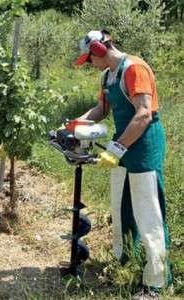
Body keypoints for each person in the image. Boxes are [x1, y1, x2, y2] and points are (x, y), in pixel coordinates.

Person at [75, 30, 173, 300]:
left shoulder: (135, 68)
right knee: (122, 207)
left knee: (148, 211)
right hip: (122, 143)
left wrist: (117, 148)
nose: (88, 64)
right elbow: (100, 110)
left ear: (98, 48)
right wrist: (75, 125)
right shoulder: (107, 75)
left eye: (89, 59)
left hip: (144, 145)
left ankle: (156, 282)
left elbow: (143, 115)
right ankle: (125, 261)